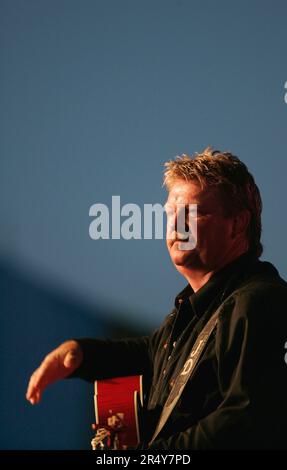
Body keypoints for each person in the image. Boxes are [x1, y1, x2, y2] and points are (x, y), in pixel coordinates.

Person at [26, 148, 287, 449]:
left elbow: (249, 420)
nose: (176, 226)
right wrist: (81, 353)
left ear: (238, 224)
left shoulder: (257, 303)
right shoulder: (194, 314)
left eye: (192, 213)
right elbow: (150, 355)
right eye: (170, 215)